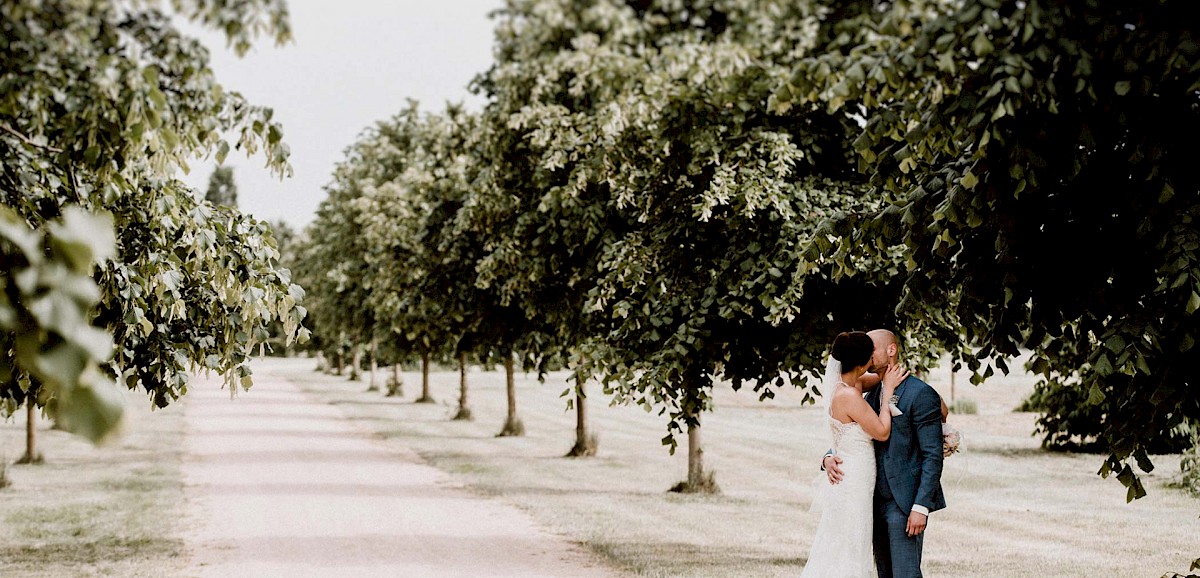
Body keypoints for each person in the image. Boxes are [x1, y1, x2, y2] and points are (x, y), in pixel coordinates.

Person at [823, 329, 946, 578]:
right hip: (868, 500)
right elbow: (851, 430)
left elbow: (933, 455)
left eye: (872, 349)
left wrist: (921, 506)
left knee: (905, 574)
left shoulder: (919, 393)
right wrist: (827, 457)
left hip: (903, 503)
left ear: (891, 350)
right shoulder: (866, 391)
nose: (868, 355)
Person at [801, 331, 908, 578]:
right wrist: (888, 391)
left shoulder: (851, 383)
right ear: (862, 362)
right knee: (850, 543)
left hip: (853, 474)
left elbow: (877, 378)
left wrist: (886, 373)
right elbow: (881, 432)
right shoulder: (848, 395)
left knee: (850, 540)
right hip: (854, 481)